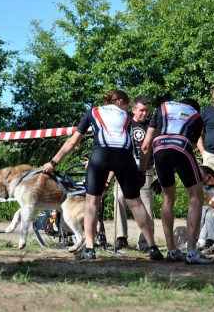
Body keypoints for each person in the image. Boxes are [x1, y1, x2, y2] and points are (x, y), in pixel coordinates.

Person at [42, 89, 163, 261]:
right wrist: (142, 171)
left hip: (99, 157)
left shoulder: (93, 112)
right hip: (124, 157)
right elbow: (139, 147)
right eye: (128, 105)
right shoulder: (127, 117)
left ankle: (90, 249)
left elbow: (73, 141)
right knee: (136, 203)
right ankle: (153, 248)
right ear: (121, 102)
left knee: (92, 202)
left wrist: (53, 162)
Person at [140, 98, 214, 264]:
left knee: (168, 198)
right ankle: (192, 252)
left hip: (159, 147)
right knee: (195, 198)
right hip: (181, 146)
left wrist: (141, 172)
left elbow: (146, 146)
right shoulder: (196, 116)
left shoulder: (162, 108)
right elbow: (189, 148)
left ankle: (172, 250)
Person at [114, 96, 155, 251]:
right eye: (141, 110)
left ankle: (146, 242)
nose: (145, 113)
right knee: (119, 198)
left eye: (147, 110)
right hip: (124, 168)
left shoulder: (152, 125)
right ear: (134, 110)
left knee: (146, 204)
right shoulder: (126, 124)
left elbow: (154, 145)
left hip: (146, 169)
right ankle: (121, 237)